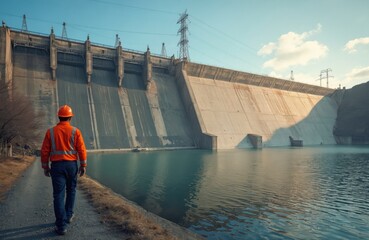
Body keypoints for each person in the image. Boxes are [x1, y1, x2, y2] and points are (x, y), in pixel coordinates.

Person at [41, 105, 87, 235]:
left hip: (57, 166)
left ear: (59, 117)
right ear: (70, 117)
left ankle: (61, 226)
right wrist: (83, 165)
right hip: (71, 165)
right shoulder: (75, 131)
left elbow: (45, 151)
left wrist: (45, 167)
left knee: (58, 195)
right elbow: (81, 150)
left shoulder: (50, 132)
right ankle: (68, 215)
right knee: (71, 190)